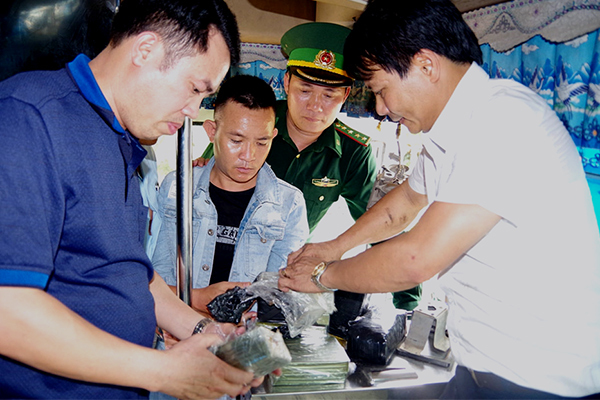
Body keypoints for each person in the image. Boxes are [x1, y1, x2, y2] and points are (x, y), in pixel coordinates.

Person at [278, 0, 600, 398]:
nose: (381, 109)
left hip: (540, 378)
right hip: (480, 365)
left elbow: (416, 259)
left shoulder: (504, 120)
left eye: (381, 90)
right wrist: (329, 248)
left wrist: (321, 277)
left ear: (425, 65)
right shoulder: (451, 133)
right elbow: (403, 206)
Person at [0, 0, 270, 398]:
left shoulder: (121, 142)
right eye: (195, 89)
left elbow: (133, 273)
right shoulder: (29, 118)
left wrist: (205, 331)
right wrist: (162, 371)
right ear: (145, 51)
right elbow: (8, 310)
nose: (194, 110)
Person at [152, 74, 309, 313]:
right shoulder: (177, 188)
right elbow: (152, 280)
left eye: (261, 142)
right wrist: (197, 300)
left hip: (246, 342)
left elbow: (279, 301)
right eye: (236, 140)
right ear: (211, 131)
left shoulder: (289, 205)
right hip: (175, 333)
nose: (249, 155)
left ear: (273, 138)